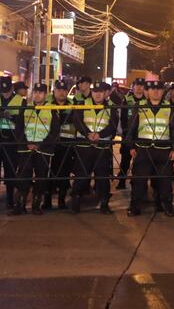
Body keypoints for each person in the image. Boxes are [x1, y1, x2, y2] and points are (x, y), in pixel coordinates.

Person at [126, 80, 174, 216]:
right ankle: (134, 206)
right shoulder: (139, 107)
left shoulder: (170, 108)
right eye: (153, 89)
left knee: (165, 181)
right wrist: (131, 146)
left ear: (163, 92)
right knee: (139, 180)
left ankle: (166, 205)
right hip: (143, 149)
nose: (156, 92)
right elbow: (131, 128)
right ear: (147, 92)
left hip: (163, 150)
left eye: (159, 89)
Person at [72, 81, 118, 214]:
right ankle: (76, 200)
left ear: (105, 93)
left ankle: (104, 203)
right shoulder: (82, 104)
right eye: (95, 91)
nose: (98, 94)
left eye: (101, 92)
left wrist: (99, 135)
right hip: (84, 145)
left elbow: (113, 126)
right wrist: (88, 134)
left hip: (102, 147)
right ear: (92, 92)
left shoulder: (112, 107)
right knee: (82, 174)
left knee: (103, 175)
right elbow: (77, 121)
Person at [14, 83, 59, 215]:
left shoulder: (52, 109)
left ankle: (36, 204)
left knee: (41, 177)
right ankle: (20, 204)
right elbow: (19, 128)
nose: (37, 95)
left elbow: (55, 131)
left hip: (43, 149)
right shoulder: (25, 107)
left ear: (45, 95)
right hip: (26, 148)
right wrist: (26, 143)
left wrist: (41, 144)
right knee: (23, 176)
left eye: (40, 92)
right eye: (35, 92)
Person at [0, 76, 24, 210]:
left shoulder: (20, 100)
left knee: (10, 170)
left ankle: (10, 200)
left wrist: (12, 117)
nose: (5, 93)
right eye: (3, 90)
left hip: (11, 140)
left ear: (12, 88)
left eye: (7, 90)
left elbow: (23, 120)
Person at [47, 80, 75, 209]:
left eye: (64, 90)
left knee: (64, 174)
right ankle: (46, 202)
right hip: (50, 145)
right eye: (59, 90)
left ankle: (61, 201)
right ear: (54, 91)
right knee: (48, 173)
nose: (62, 93)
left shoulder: (73, 105)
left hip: (66, 145)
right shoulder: (47, 105)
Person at [117, 79, 146, 190]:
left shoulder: (146, 100)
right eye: (137, 85)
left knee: (139, 161)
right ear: (133, 87)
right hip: (128, 134)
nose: (139, 88)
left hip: (141, 134)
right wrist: (125, 132)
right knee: (125, 159)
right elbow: (122, 117)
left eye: (141, 86)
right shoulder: (127, 100)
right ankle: (122, 181)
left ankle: (136, 182)